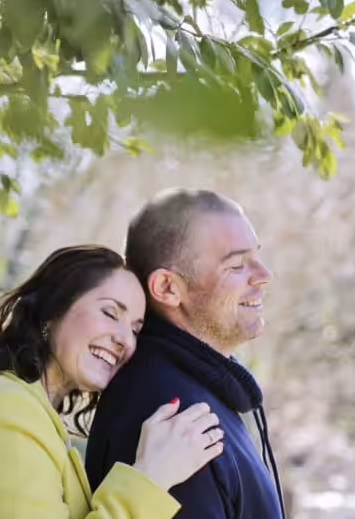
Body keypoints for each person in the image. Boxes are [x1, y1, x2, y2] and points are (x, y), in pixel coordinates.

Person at [0, 245, 226, 519]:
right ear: (52, 311)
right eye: (111, 313)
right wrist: (153, 476)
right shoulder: (3, 411)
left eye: (136, 329)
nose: (125, 339)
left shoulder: (29, 413)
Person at [85, 189, 286, 519]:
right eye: (237, 265)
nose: (264, 275)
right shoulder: (170, 419)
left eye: (256, 256)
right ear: (167, 288)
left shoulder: (202, 390)